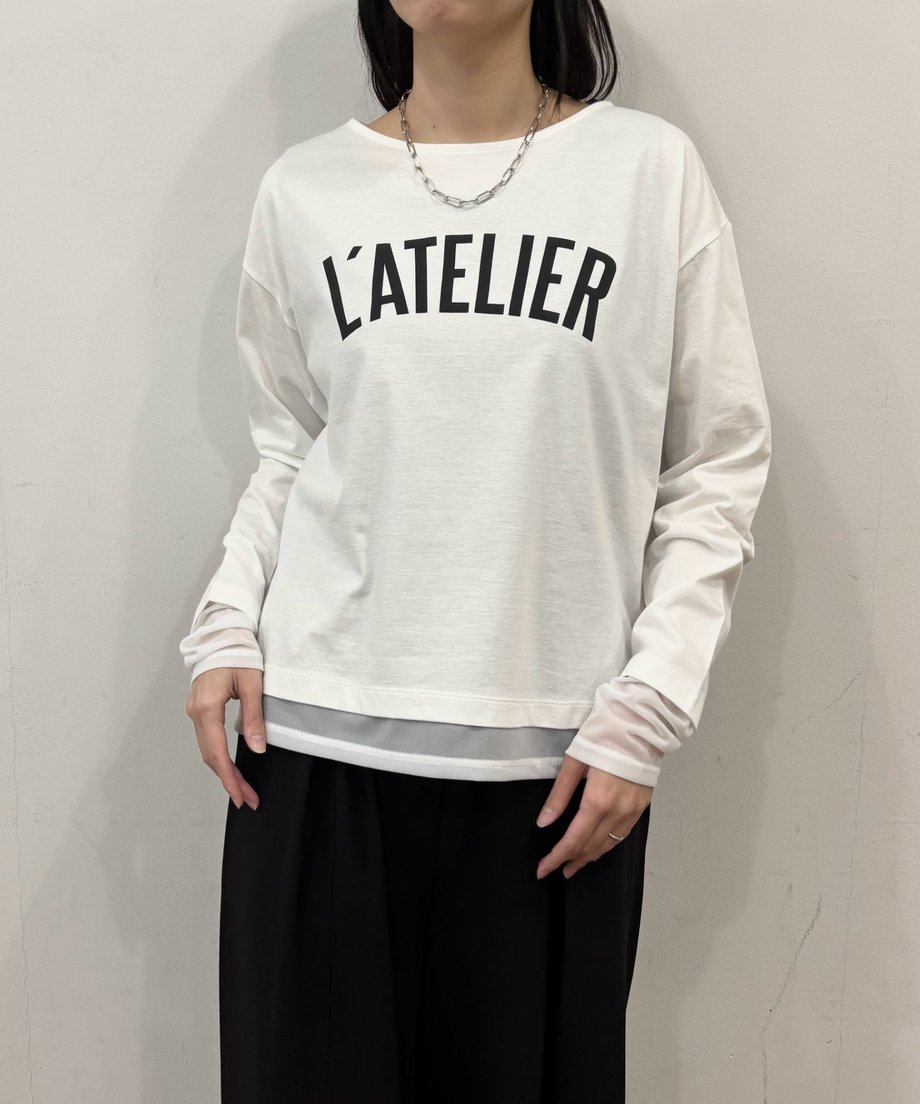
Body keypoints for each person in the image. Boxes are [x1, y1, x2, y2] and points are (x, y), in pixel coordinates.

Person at [180, 2, 772, 1101]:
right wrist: (226, 620)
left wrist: (650, 705)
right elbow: (290, 447)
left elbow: (715, 461)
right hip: (309, 750)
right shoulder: (303, 190)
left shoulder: (648, 173)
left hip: (551, 782)